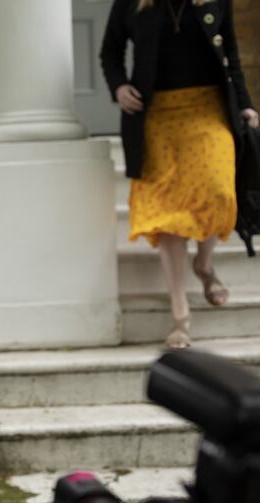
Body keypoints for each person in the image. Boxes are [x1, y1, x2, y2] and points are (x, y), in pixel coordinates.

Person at [101, 0, 260, 349]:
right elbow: (110, 51)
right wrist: (119, 86)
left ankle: (203, 264)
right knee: (168, 214)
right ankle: (180, 316)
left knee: (218, 192)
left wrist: (246, 103)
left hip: (209, 109)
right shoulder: (131, 3)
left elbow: (230, 52)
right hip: (156, 115)